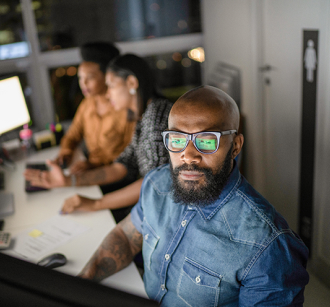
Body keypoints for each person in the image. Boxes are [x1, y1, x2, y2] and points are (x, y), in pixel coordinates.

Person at [77, 85, 310, 306]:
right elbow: (126, 238)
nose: (188, 156)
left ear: (236, 146)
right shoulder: (156, 184)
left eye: (207, 141)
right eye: (177, 140)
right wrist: (79, 284)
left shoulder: (268, 245)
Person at [24, 54, 173, 222]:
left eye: (111, 86)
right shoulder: (142, 116)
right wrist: (68, 180)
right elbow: (122, 166)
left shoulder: (157, 117)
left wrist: (96, 204)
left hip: (164, 214)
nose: (108, 95)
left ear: (131, 83)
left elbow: (153, 185)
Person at [54, 42, 136, 174]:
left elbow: (129, 157)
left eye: (90, 77)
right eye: (80, 77)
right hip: (89, 169)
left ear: (107, 77)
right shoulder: (87, 103)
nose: (83, 83)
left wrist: (94, 165)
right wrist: (66, 151)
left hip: (113, 175)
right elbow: (72, 136)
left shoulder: (125, 108)